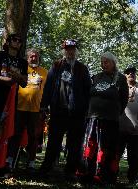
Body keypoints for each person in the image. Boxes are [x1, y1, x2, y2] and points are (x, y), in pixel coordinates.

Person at [39, 39, 91, 180]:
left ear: (76, 51)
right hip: (58, 111)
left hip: (77, 113)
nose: (70, 51)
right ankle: (47, 168)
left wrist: (87, 109)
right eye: (67, 49)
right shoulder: (56, 65)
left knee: (75, 144)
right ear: (64, 50)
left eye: (73, 49)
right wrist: (44, 105)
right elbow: (48, 86)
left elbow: (88, 90)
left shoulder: (82, 68)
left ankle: (70, 171)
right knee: (53, 142)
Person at [82, 52, 128, 186]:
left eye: (106, 62)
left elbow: (124, 100)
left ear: (113, 63)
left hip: (110, 120)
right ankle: (88, 173)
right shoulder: (96, 77)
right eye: (102, 62)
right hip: (93, 118)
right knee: (91, 145)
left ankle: (104, 175)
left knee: (106, 147)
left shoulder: (120, 78)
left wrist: (114, 112)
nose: (104, 65)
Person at [4, 49, 47, 172]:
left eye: (36, 56)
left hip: (36, 110)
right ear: (27, 58)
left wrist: (44, 108)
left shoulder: (45, 72)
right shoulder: (22, 70)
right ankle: (10, 161)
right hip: (19, 108)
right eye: (31, 56)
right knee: (15, 134)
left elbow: (47, 91)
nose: (34, 58)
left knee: (33, 137)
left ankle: (31, 164)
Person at [0, 34, 28, 173]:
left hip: (10, 102)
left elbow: (24, 82)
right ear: (8, 42)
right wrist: (5, 80)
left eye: (20, 41)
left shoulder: (22, 62)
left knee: (3, 131)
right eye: (14, 39)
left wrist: (17, 76)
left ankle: (0, 165)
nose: (17, 42)